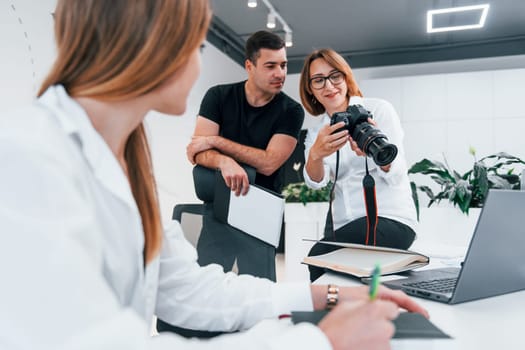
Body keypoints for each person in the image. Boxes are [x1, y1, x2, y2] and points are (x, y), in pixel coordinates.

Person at [0, 1, 429, 349]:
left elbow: (187, 288)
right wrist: (319, 340)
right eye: (197, 45)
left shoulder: (121, 163)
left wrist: (319, 296)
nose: (198, 61)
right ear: (151, 44)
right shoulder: (27, 158)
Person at [186, 30, 304, 280]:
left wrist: (216, 141)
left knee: (260, 292)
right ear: (249, 66)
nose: (280, 73)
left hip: (261, 209)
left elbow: (270, 163)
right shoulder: (218, 96)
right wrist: (224, 161)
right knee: (209, 285)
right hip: (220, 204)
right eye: (270, 66)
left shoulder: (291, 111)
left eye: (283, 65)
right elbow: (198, 152)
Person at [299, 49, 418, 281]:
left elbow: (397, 173)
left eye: (335, 76)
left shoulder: (378, 109)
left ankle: (336, 312)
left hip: (391, 218)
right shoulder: (317, 133)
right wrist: (315, 155)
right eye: (318, 80)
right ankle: (341, 312)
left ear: (346, 77)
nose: (329, 86)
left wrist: (373, 154)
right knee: (321, 265)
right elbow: (315, 183)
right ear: (310, 90)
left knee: (319, 256)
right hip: (345, 225)